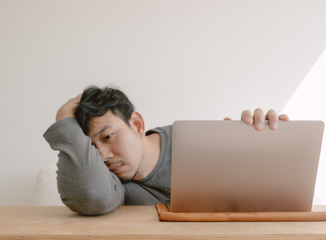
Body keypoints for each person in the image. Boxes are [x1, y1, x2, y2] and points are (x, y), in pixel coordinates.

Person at [43, 85, 289, 215]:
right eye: (92, 149)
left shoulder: (194, 144)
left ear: (137, 125)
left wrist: (264, 143)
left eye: (108, 137)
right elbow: (91, 197)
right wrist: (64, 123)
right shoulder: (112, 183)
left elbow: (278, 199)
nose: (104, 156)